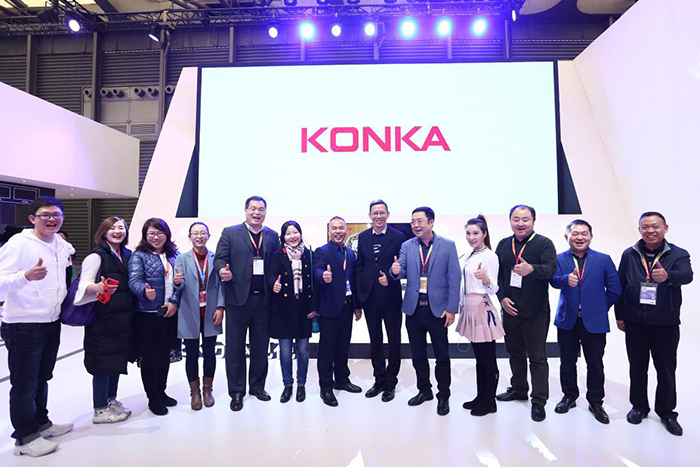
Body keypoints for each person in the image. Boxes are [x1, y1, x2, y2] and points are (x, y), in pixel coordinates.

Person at [0, 196, 74, 457]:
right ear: (32, 218)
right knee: (25, 383)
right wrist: (25, 276)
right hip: (23, 324)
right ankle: (25, 438)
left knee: (42, 378)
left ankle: (42, 423)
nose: (51, 219)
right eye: (45, 215)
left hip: (51, 321)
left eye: (56, 214)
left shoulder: (60, 244)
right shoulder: (18, 245)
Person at [615, 212, 693, 436]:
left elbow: (687, 275)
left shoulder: (678, 253)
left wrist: (668, 276)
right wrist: (620, 314)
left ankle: (667, 412)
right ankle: (639, 407)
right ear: (640, 229)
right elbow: (621, 284)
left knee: (666, 370)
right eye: (645, 227)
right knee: (637, 367)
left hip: (665, 323)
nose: (650, 231)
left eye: (655, 226)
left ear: (665, 228)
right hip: (635, 321)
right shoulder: (630, 254)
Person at [549, 220, 621, 424]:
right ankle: (569, 396)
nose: (579, 237)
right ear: (567, 237)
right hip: (567, 320)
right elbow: (553, 280)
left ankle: (596, 401)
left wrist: (600, 307)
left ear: (591, 236)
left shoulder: (603, 259)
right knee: (567, 361)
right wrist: (565, 280)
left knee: (595, 363)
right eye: (575, 233)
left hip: (595, 322)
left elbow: (615, 289)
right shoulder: (558, 259)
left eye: (584, 233)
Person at [391, 206, 460, 416]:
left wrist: (451, 309)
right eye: (413, 221)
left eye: (419, 221)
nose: (415, 225)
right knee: (418, 355)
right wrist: (395, 271)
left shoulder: (447, 245)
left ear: (431, 222)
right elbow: (400, 270)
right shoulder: (407, 246)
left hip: (438, 311)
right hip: (413, 310)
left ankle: (443, 395)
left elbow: (454, 278)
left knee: (442, 356)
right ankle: (424, 390)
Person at [214, 196, 279, 412]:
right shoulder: (230, 233)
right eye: (253, 209)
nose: (257, 213)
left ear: (265, 212)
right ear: (245, 211)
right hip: (237, 299)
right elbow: (220, 259)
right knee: (235, 348)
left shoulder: (272, 236)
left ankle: (257, 387)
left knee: (261, 347)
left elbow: (275, 265)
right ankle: (236, 392)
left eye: (261, 209)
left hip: (264, 300)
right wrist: (222, 270)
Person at [494, 205, 556, 422]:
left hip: (536, 312)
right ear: (510, 220)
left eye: (525, 219)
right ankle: (519, 389)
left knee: (537, 358)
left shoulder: (544, 243)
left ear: (534, 221)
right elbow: (498, 275)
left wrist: (532, 269)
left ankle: (539, 401)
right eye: (516, 219)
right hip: (510, 309)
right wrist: (502, 297)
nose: (520, 223)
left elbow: (551, 270)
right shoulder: (504, 244)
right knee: (515, 353)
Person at [74, 216, 136, 424]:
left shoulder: (126, 254)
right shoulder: (96, 256)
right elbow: (84, 285)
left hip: (122, 318)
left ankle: (111, 400)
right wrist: (99, 288)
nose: (117, 231)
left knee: (116, 360)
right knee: (102, 363)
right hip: (102, 319)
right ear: (104, 231)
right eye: (113, 228)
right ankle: (100, 409)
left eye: (121, 228)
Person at [128, 218, 180, 416]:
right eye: (151, 233)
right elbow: (134, 280)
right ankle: (153, 398)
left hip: (169, 312)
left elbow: (181, 282)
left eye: (160, 233)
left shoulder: (174, 255)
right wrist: (144, 291)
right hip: (147, 315)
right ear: (145, 235)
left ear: (166, 235)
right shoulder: (139, 255)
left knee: (165, 355)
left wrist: (174, 301)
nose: (156, 237)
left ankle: (162, 392)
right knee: (150, 358)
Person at [171, 222, 225, 411]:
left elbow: (222, 285)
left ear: (208, 236)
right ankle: (194, 392)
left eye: (203, 233)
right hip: (189, 312)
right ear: (190, 237)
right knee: (192, 354)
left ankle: (207, 390)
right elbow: (179, 285)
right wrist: (177, 282)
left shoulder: (215, 258)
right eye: (195, 233)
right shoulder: (182, 258)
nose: (199, 236)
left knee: (210, 353)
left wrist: (220, 307)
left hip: (211, 312)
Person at [355, 199, 405, 402]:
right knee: (375, 340)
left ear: (388, 214)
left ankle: (391, 383)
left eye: (382, 212)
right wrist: (360, 296)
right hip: (370, 299)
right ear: (370, 216)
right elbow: (360, 266)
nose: (378, 216)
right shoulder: (363, 237)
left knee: (394, 341)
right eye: (375, 213)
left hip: (391, 297)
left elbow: (402, 267)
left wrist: (392, 278)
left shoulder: (398, 237)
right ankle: (379, 380)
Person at [455, 215, 504, 416]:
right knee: (479, 358)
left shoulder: (490, 256)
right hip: (469, 307)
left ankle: (490, 401)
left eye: (475, 233)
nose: (471, 237)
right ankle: (481, 396)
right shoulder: (468, 254)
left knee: (488, 358)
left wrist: (485, 279)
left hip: (482, 309)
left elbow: (494, 289)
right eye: (468, 233)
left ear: (484, 234)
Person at [314, 216, 363, 407]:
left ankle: (342, 380)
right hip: (329, 308)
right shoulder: (322, 251)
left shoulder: (350, 253)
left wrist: (357, 306)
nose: (338, 232)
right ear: (329, 231)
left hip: (347, 306)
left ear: (346, 230)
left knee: (343, 347)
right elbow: (317, 270)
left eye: (341, 228)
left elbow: (354, 281)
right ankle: (326, 387)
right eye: (334, 228)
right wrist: (322, 276)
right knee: (326, 350)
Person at [267, 221, 316, 403]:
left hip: (304, 309)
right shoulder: (277, 255)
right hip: (283, 310)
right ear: (283, 237)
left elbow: (315, 284)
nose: (292, 236)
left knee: (303, 350)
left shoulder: (309, 255)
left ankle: (301, 384)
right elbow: (271, 275)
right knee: (285, 352)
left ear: (300, 234)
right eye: (288, 233)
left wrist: (314, 306)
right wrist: (274, 284)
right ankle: (288, 385)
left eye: (295, 232)